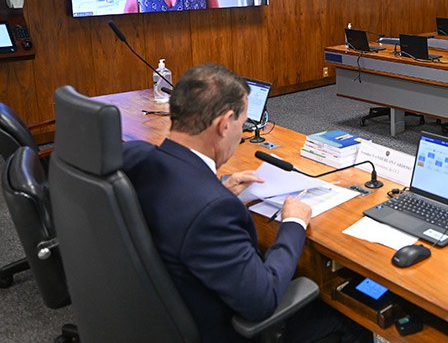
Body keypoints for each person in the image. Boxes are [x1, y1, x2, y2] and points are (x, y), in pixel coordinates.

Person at [122, 63, 365, 342]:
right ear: (225, 124)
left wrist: (218, 187)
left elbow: (183, 202)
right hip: (222, 328)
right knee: (347, 319)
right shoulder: (212, 210)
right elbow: (263, 300)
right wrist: (294, 223)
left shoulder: (140, 157)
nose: (241, 133)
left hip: (165, 309)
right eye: (242, 123)